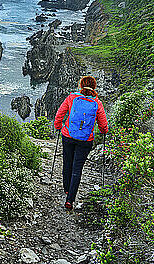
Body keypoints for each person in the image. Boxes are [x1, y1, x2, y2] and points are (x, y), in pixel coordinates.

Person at [54, 75, 108, 210]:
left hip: (68, 135)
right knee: (77, 168)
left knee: (67, 162)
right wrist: (104, 131)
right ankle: (70, 199)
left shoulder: (72, 98)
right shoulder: (97, 103)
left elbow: (60, 113)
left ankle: (67, 189)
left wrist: (58, 125)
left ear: (80, 85)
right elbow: (103, 123)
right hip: (85, 140)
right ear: (94, 87)